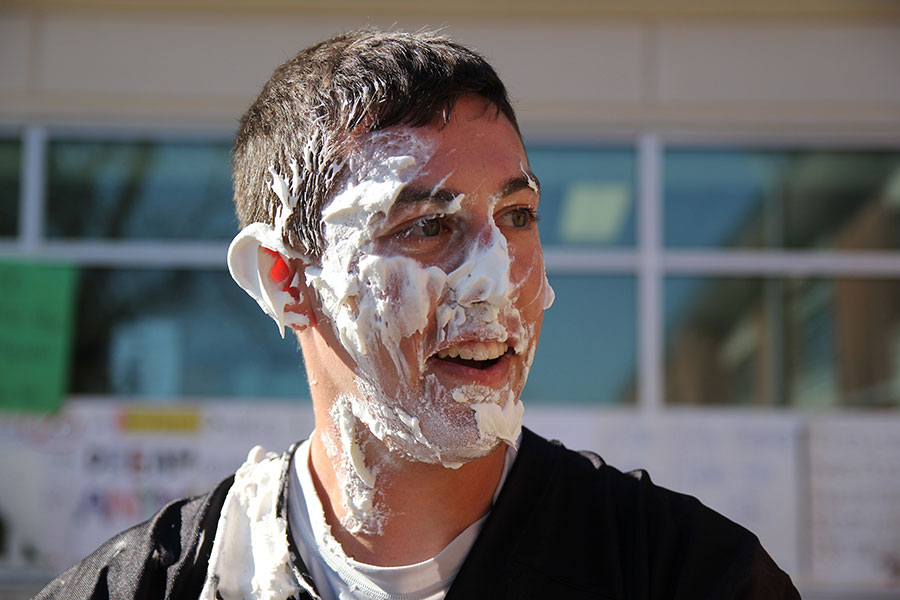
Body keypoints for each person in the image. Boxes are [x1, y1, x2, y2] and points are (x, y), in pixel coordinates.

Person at [36, 28, 800, 599]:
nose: (498, 280)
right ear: (284, 280)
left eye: (519, 215)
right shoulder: (152, 586)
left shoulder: (687, 575)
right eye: (427, 227)